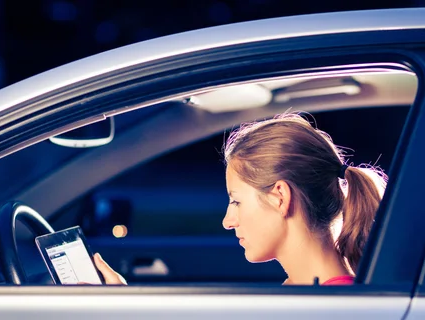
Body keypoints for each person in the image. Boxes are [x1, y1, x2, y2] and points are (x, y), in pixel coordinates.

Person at [93, 112, 387, 286]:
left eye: (236, 201)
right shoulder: (310, 296)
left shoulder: (323, 312)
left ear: (280, 197)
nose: (227, 221)